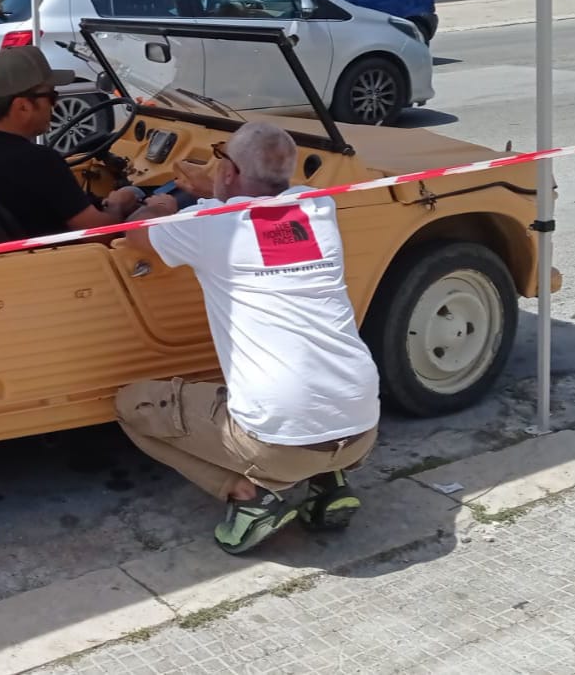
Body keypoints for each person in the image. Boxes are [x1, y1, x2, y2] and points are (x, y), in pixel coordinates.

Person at [114, 121, 380, 554]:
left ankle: (250, 497)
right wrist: (216, 187)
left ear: (231, 171)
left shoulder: (208, 224)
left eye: (220, 156)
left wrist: (159, 203)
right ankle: (329, 481)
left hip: (281, 442)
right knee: (299, 395)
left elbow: (132, 233)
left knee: (133, 405)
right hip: (360, 428)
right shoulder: (317, 208)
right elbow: (268, 199)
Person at [0, 46, 142, 236]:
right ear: (23, 107)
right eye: (51, 96)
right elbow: (100, 234)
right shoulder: (40, 162)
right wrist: (118, 205)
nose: (55, 104)